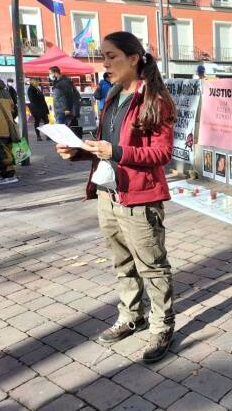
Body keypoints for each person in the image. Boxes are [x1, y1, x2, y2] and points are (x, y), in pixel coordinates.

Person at [55, 31, 177, 363]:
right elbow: (106, 144)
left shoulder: (155, 99)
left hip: (139, 199)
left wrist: (117, 151)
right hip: (107, 194)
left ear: (133, 58)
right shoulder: (112, 95)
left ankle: (162, 326)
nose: (104, 63)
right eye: (103, 57)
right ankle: (131, 316)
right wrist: (79, 152)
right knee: (122, 262)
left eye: (111, 57)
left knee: (152, 267)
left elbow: (162, 153)